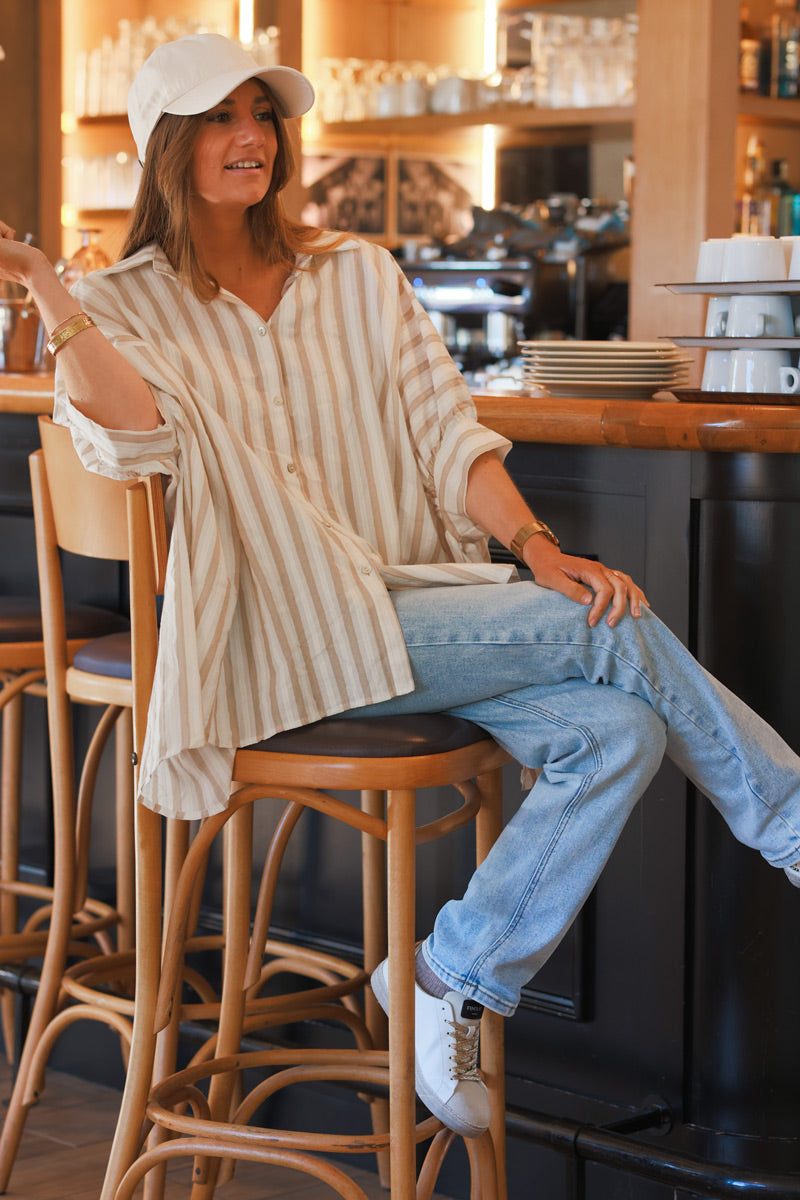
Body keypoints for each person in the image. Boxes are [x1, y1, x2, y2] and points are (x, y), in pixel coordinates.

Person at [2, 31, 800, 1145]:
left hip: (411, 612)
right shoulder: (122, 300)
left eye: (262, 116)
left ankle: (448, 972)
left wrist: (530, 544)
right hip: (272, 638)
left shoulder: (358, 273)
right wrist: (54, 293)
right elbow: (128, 435)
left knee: (613, 728)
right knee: (611, 635)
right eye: (222, 119)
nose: (251, 139)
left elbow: (443, 431)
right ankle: (788, 820)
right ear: (167, 147)